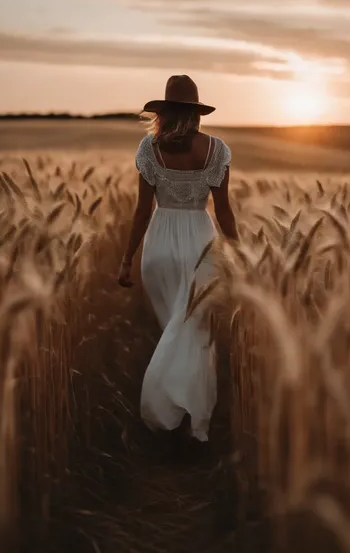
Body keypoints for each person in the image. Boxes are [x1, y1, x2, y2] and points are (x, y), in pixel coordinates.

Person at [118, 74, 238, 442]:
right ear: (198, 113)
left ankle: (168, 414)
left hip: (159, 246)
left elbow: (141, 211)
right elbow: (225, 212)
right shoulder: (217, 150)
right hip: (202, 244)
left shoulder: (148, 148)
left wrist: (126, 260)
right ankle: (191, 420)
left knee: (174, 328)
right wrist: (241, 255)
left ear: (165, 112)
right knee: (195, 332)